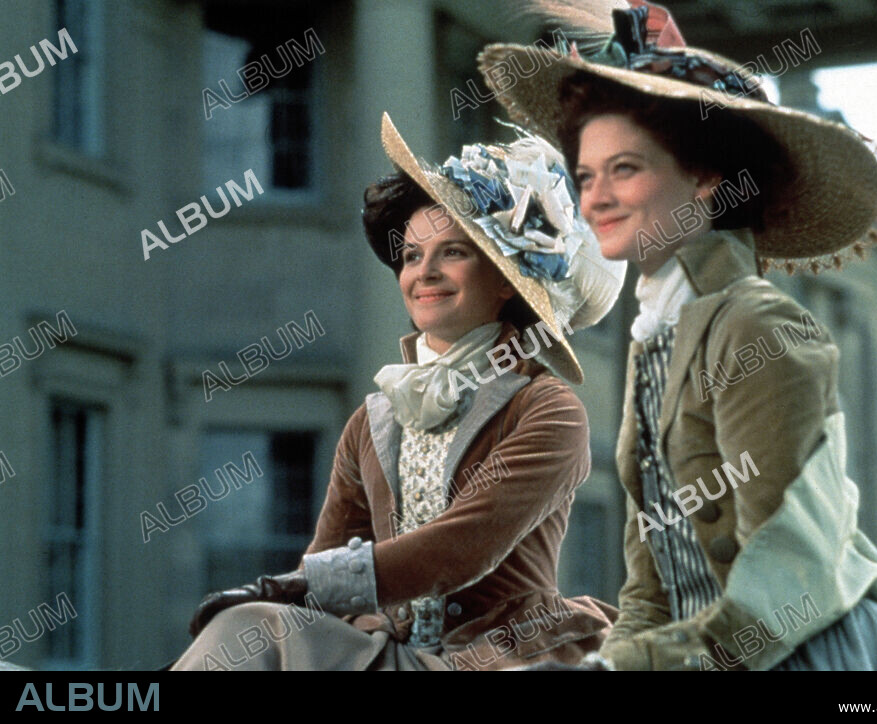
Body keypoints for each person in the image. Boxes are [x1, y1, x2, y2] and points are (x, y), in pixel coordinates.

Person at [479, 0, 877, 670]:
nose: (596, 199)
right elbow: (653, 584)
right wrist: (612, 658)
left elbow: (791, 582)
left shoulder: (762, 327)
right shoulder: (654, 337)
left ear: (704, 179)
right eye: (585, 175)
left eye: (626, 169)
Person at [171, 112, 625, 670]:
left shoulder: (547, 408)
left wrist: (285, 587)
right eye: (412, 255)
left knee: (260, 620)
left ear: (507, 279)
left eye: (453, 252)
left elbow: (463, 546)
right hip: (402, 651)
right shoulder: (375, 418)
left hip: (503, 653)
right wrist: (317, 601)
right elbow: (330, 556)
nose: (424, 272)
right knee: (249, 628)